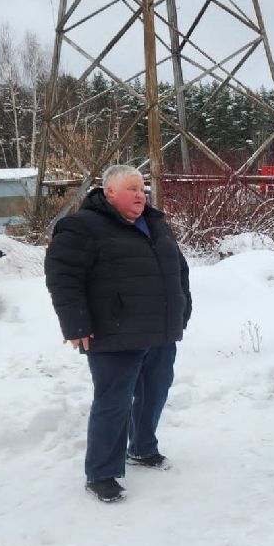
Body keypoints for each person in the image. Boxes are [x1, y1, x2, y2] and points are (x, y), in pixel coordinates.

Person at [44, 164, 191, 503]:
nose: (141, 194)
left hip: (160, 329)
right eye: (132, 188)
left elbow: (178, 270)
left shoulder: (155, 223)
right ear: (109, 192)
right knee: (114, 402)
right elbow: (63, 277)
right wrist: (75, 324)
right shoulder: (82, 227)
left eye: (142, 188)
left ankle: (142, 448)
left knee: (155, 391)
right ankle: (102, 473)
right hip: (114, 332)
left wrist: (183, 309)